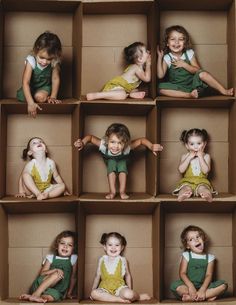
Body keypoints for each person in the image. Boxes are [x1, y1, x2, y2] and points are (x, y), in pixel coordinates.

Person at [74, 123, 163, 199]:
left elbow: (141, 140)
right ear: (107, 140)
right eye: (112, 142)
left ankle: (122, 192)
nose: (115, 146)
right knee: (112, 165)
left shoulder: (128, 147)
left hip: (123, 160)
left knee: (122, 166)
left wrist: (151, 146)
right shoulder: (103, 144)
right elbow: (90, 137)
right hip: (110, 160)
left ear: (125, 142)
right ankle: (112, 192)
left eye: (120, 143)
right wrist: (82, 142)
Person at [157, 25, 234, 98]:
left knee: (203, 73)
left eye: (181, 39)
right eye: (173, 39)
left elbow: (197, 70)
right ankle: (188, 95)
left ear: (185, 43)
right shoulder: (167, 57)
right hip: (178, 88)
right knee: (160, 88)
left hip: (194, 85)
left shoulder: (189, 53)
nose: (177, 42)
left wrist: (184, 65)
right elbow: (160, 75)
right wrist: (160, 58)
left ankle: (224, 91)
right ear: (167, 43)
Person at [170, 225, 227, 302]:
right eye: (191, 239)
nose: (196, 240)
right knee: (174, 286)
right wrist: (191, 287)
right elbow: (182, 273)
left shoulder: (210, 257)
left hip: (204, 286)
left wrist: (203, 289)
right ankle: (206, 296)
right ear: (187, 246)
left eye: (198, 237)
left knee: (224, 285)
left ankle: (193, 297)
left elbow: (209, 275)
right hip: (187, 285)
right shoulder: (186, 255)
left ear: (203, 239)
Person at [90, 232, 151, 303]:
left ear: (122, 247)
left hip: (119, 288)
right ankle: (118, 300)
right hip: (104, 289)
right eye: (110, 245)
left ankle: (138, 297)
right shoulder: (102, 260)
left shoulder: (123, 260)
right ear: (105, 247)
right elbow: (97, 276)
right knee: (94, 293)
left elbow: (128, 275)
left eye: (117, 245)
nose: (113, 247)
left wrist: (129, 289)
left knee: (129, 294)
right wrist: (93, 289)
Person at [19, 230, 77, 303]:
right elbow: (42, 273)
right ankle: (36, 294)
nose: (65, 246)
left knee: (51, 298)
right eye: (62, 243)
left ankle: (32, 297)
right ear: (57, 246)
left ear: (73, 248)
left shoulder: (73, 259)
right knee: (58, 274)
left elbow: (73, 277)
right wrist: (55, 270)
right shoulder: (50, 258)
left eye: (69, 245)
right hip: (39, 286)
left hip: (55, 291)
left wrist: (69, 293)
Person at [17, 31, 62, 117]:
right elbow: (25, 82)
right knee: (22, 97)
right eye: (41, 57)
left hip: (44, 87)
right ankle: (35, 98)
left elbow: (55, 79)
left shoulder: (54, 62)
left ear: (55, 56)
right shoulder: (31, 61)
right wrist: (30, 103)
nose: (44, 62)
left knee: (39, 97)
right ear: (35, 50)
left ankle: (46, 97)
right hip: (31, 86)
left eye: (49, 59)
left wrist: (53, 96)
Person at [86, 42, 151, 101]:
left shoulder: (139, 68)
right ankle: (96, 95)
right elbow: (147, 79)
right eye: (146, 51)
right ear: (140, 59)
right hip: (114, 87)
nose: (148, 52)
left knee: (137, 90)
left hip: (123, 89)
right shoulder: (136, 68)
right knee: (122, 95)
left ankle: (130, 94)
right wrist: (148, 64)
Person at [173, 128, 217, 202]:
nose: (196, 147)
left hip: (202, 181)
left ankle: (206, 195)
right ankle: (183, 195)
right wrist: (189, 157)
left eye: (199, 143)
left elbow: (206, 170)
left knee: (203, 188)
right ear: (187, 145)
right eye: (192, 144)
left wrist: (200, 157)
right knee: (185, 188)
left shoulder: (206, 156)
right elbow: (181, 170)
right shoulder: (185, 156)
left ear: (204, 144)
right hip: (187, 181)